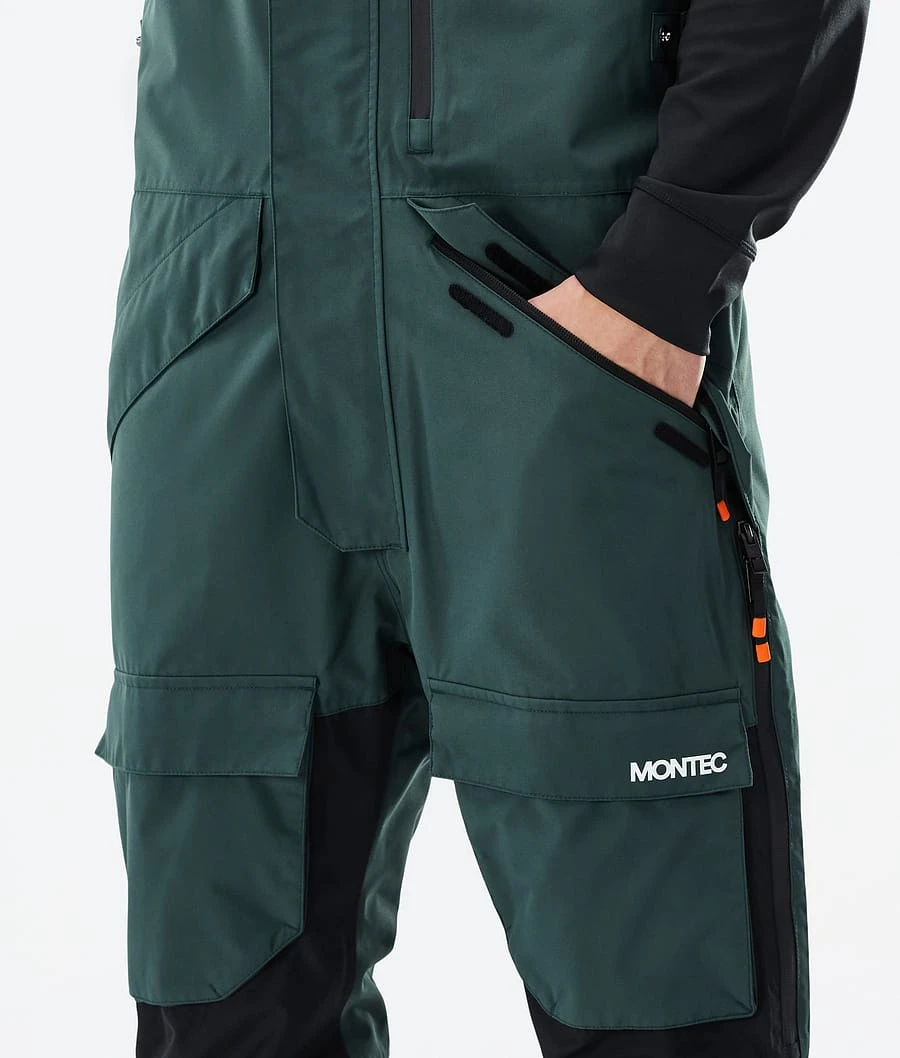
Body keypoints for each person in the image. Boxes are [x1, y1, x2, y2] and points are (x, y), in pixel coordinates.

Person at [95, 2, 869, 1056]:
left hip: (550, 335)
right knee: (225, 996)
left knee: (659, 995)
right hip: (223, 341)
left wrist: (664, 270)